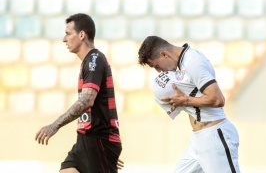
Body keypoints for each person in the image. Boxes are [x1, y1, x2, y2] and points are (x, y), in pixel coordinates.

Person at [138, 36, 240, 173]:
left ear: (164, 54)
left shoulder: (192, 62)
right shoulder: (184, 62)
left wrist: (185, 101)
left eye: (156, 65)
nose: (159, 71)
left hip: (215, 135)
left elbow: (217, 99)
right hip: (199, 139)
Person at [35, 13, 122, 173]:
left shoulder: (94, 60)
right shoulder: (89, 62)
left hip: (99, 138)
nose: (64, 39)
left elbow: (87, 100)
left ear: (81, 35)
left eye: (68, 33)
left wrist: (54, 126)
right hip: (86, 140)